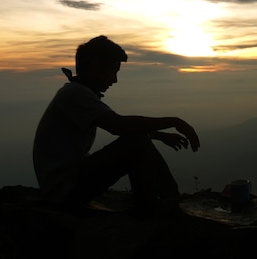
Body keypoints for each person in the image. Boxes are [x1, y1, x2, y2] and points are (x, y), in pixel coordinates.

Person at [33, 35, 200, 217]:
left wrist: (161, 136)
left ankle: (168, 199)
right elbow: (118, 125)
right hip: (65, 191)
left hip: (65, 186)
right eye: (113, 72)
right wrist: (175, 122)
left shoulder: (77, 92)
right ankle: (153, 207)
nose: (115, 80)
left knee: (138, 139)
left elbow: (117, 124)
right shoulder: (75, 95)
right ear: (95, 67)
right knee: (137, 142)